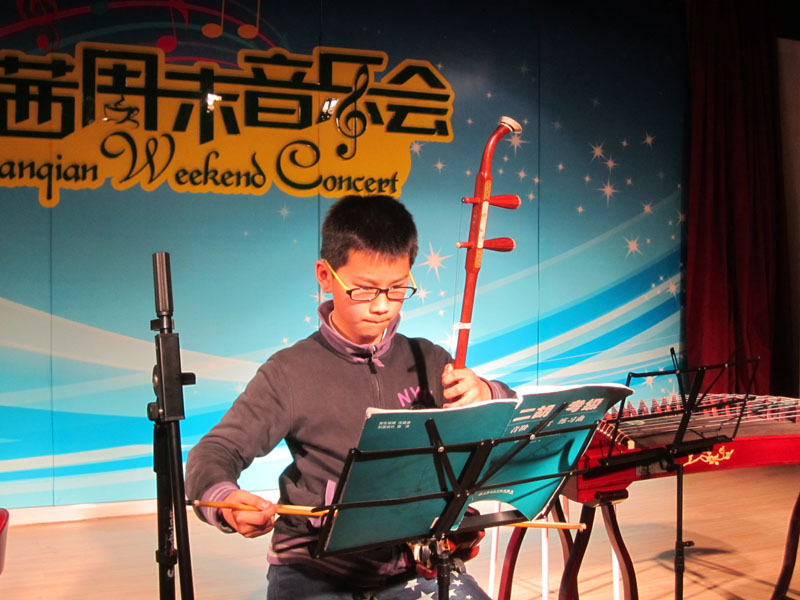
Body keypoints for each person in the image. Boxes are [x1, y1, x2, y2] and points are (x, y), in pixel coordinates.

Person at [185, 194, 515, 600]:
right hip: (314, 568)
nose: (382, 307)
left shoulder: (428, 359)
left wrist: (487, 393)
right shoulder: (289, 371)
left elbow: (513, 416)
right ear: (325, 276)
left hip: (413, 564)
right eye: (364, 290)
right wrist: (225, 499)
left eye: (397, 288)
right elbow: (216, 450)